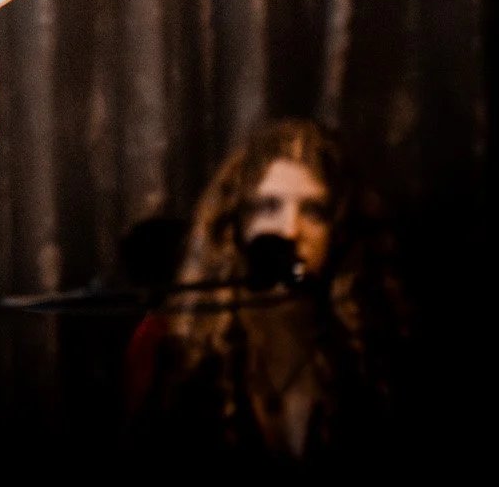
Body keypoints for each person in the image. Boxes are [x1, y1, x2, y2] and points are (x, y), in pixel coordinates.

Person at [128, 119, 406, 472]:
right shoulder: (174, 345)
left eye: (314, 211)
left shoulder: (372, 350)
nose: (289, 230)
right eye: (268, 207)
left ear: (338, 230)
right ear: (236, 225)